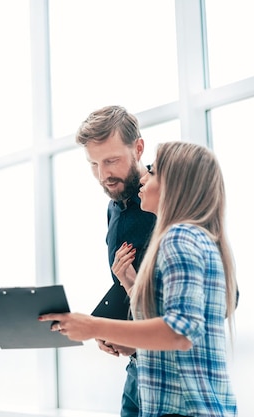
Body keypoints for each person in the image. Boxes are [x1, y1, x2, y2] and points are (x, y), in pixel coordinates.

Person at [40, 141, 238, 417]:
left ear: (175, 186)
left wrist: (93, 326)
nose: (144, 176)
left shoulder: (179, 238)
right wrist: (130, 285)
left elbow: (179, 332)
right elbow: (177, 328)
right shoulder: (198, 239)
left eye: (154, 172)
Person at [75, 105, 156, 417]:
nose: (103, 175)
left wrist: (136, 338)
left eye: (111, 161)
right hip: (137, 372)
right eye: (93, 164)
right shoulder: (114, 206)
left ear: (138, 148)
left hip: (170, 373)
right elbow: (129, 281)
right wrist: (116, 329)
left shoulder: (166, 199)